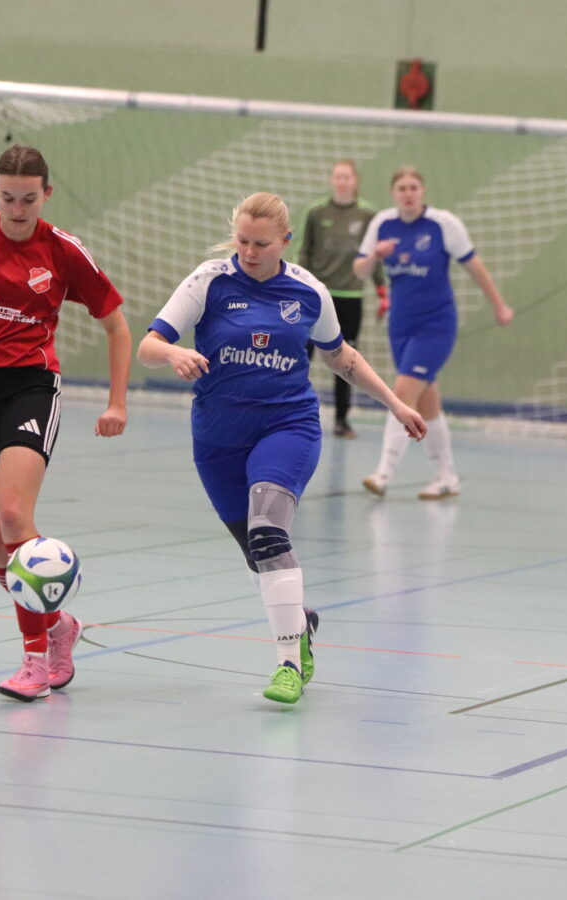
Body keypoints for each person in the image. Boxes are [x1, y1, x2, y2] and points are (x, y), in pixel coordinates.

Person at [137, 192, 426, 705]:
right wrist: (174, 352)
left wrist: (395, 404)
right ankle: (301, 624)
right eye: (243, 241)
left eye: (261, 244)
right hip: (217, 438)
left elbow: (342, 357)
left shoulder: (309, 292)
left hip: (287, 426)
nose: (249, 252)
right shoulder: (209, 281)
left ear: (285, 241)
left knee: (268, 532)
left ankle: (289, 664)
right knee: (257, 554)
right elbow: (148, 347)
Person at [0, 144, 131, 702]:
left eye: (29, 199)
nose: (17, 209)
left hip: (29, 387)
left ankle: (35, 663)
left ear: (46, 194)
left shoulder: (62, 250)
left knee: (14, 516)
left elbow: (116, 325)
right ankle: (59, 626)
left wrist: (117, 403)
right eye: (8, 198)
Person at [353, 166, 513, 500]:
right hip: (400, 325)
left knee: (402, 392)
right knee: (427, 404)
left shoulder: (443, 224)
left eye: (413, 187)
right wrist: (375, 256)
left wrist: (499, 305)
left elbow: (475, 266)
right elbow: (360, 270)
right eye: (402, 188)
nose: (408, 194)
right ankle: (447, 477)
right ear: (393, 193)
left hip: (436, 324)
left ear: (422, 191)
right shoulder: (382, 224)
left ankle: (383, 473)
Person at [296, 159, 387, 439]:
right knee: (301, 356)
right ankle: (289, 412)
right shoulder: (316, 212)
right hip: (318, 296)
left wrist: (382, 290)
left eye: (347, 177)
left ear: (355, 181)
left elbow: (374, 258)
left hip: (351, 297)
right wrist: (299, 286)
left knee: (346, 361)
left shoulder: (368, 215)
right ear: (332, 180)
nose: (342, 181)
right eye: (338, 176)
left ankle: (341, 421)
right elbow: (304, 251)